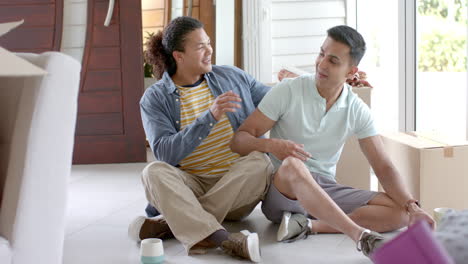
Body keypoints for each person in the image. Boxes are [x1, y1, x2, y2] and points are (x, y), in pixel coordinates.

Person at [230, 25, 435, 257]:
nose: (322, 64)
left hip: (324, 189)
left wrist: (413, 207)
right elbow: (239, 140)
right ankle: (360, 235)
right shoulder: (288, 90)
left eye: (333, 61)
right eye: (321, 54)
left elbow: (383, 166)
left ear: (351, 71)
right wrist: (270, 146)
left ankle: (308, 225)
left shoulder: (356, 109)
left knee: (400, 213)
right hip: (282, 190)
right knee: (294, 165)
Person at [127, 16, 273, 262]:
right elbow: (164, 153)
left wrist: (293, 86)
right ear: (179, 55)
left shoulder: (233, 77)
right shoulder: (155, 98)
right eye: (200, 46)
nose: (209, 50)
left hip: (236, 187)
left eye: (209, 43)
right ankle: (222, 239)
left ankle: (173, 223)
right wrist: (210, 116)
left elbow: (276, 103)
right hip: (190, 185)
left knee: (260, 162)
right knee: (153, 171)